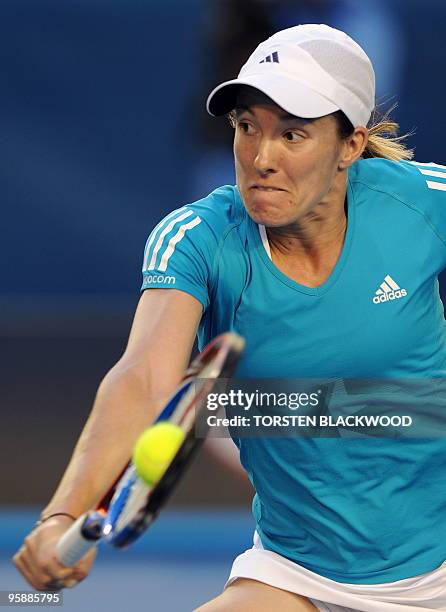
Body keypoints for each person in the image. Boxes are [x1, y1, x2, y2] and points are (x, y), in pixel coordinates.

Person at [13, 23, 446, 611]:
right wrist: (64, 512)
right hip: (301, 576)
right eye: (247, 128)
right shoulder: (197, 238)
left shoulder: (420, 201)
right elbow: (143, 379)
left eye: (293, 135)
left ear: (350, 146)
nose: (261, 159)